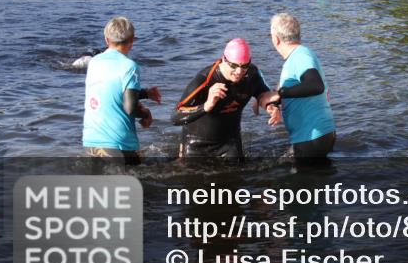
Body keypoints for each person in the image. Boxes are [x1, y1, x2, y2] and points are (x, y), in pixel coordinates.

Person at [172, 38, 278, 162]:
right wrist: (206, 106)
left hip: (229, 143)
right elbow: (175, 117)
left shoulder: (252, 74)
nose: (239, 72)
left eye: (244, 66)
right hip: (195, 143)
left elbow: (262, 93)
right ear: (224, 59)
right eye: (233, 66)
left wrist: (270, 105)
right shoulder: (205, 79)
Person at [82, 17, 161, 165]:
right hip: (118, 144)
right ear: (132, 41)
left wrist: (145, 93)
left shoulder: (94, 62)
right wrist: (146, 113)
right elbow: (130, 108)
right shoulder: (129, 67)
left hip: (91, 142)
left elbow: (110, 91)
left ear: (106, 39)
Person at [266, 13, 336, 164]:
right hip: (316, 135)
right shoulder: (298, 56)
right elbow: (292, 87)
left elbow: (315, 85)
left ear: (276, 39)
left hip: (312, 137)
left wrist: (280, 94)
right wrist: (275, 103)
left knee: (290, 182)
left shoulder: (300, 56)